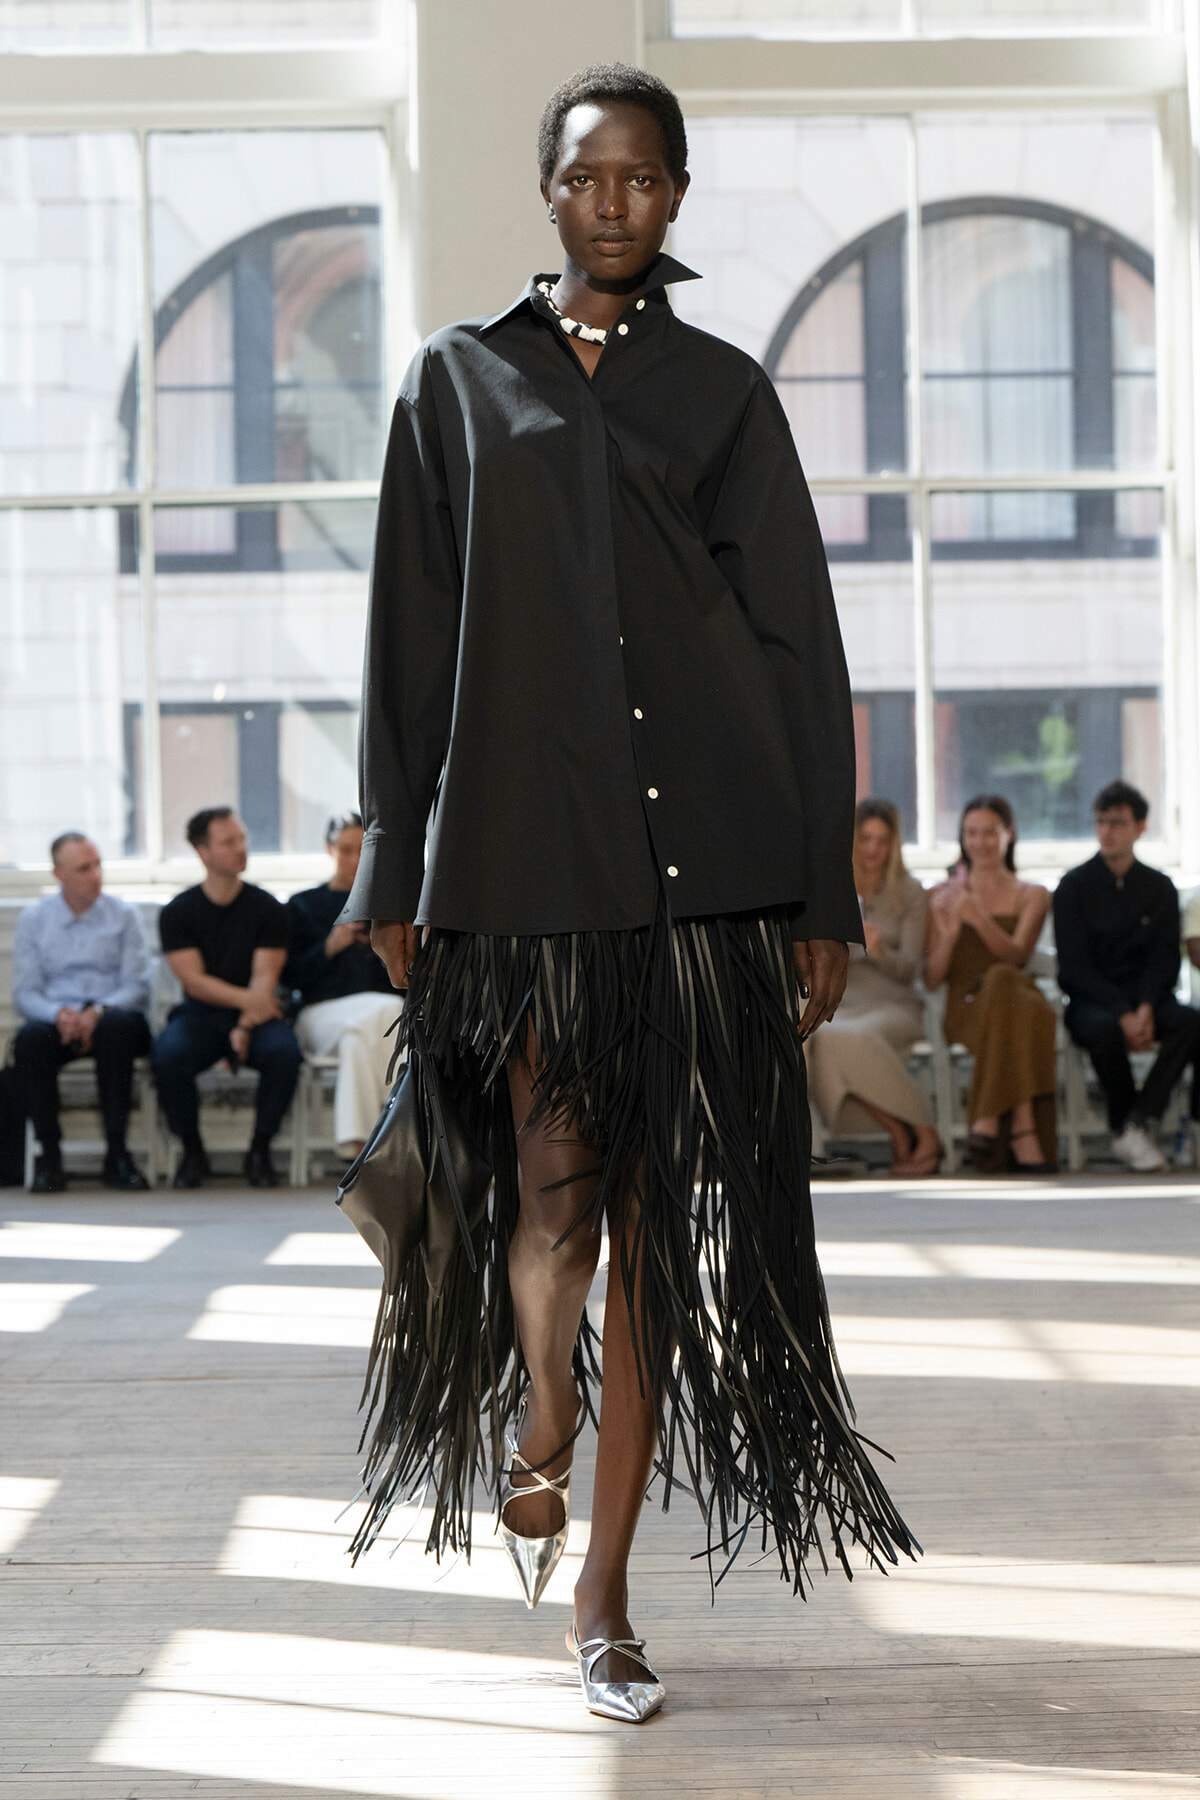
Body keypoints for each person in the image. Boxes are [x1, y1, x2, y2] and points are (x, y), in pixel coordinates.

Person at [341, 64, 915, 1724]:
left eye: (645, 177)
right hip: (530, 869)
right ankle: (539, 1407)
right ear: (548, 191)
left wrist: (818, 891)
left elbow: (799, 649)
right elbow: (407, 641)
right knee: (550, 1190)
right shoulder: (456, 384)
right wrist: (397, 854)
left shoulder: (727, 394)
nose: (614, 200)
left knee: (659, 1239)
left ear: (674, 197)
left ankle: (600, 1594)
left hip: (710, 879)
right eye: (589, 174)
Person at [1055, 780, 1200, 1173]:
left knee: (1191, 1023)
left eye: (1117, 822)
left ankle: (1137, 1123)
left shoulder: (1160, 888)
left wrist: (1147, 1006)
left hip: (1149, 999)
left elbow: (1166, 959)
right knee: (1101, 1031)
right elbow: (1074, 967)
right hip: (1094, 1002)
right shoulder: (1073, 887)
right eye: (1101, 821)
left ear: (1140, 827)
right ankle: (1127, 1126)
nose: (1107, 831)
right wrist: (1123, 1011)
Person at [152, 808, 301, 1190]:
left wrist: (244, 1025)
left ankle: (260, 1150)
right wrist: (242, 1015)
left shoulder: (269, 908)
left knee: (285, 1054)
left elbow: (265, 979)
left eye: (242, 838)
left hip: (257, 1013)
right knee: (168, 1056)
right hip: (200, 1014)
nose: (241, 848)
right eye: (228, 842)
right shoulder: (178, 912)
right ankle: (192, 1151)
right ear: (203, 852)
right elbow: (196, 983)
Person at [805, 799, 941, 1176]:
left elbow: (910, 969)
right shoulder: (835, 889)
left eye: (882, 841)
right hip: (844, 1003)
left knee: (847, 1036)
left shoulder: (910, 893)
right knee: (825, 1036)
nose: (873, 850)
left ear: (894, 844)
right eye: (865, 839)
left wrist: (879, 951)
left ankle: (924, 1132)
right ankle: (903, 1130)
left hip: (894, 1004)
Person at [11, 832, 152, 1193]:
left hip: (113, 1016)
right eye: (84, 868)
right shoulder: (34, 919)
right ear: (59, 874)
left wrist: (98, 1011)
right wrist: (60, 1014)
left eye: (98, 865)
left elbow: (138, 986)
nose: (96, 875)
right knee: (28, 1042)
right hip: (60, 1020)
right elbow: (25, 993)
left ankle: (118, 1155)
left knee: (118, 1029)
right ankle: (50, 1158)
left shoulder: (124, 915)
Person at [925, 795, 1057, 1173]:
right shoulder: (941, 895)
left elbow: (1016, 957)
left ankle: (988, 1120)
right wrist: (950, 933)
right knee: (1025, 1006)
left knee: (1005, 981)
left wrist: (979, 918)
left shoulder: (1033, 894)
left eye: (989, 833)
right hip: (966, 1009)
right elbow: (932, 979)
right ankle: (1023, 1125)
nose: (979, 842)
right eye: (971, 833)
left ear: (1009, 835)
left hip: (1012, 1001)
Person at [286, 812, 399, 1159]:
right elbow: (289, 978)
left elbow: (410, 976)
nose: (354, 859)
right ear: (328, 849)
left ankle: (357, 1145)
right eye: (345, 850)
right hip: (322, 1013)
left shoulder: (390, 904)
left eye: (362, 850)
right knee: (391, 1014)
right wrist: (329, 948)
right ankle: (399, 1136)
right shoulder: (302, 905)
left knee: (359, 1033)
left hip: (371, 1020)